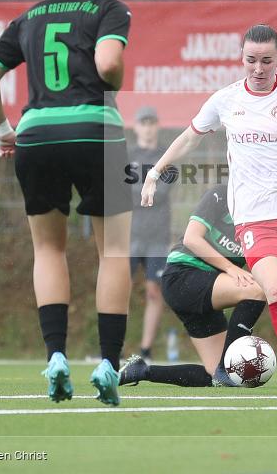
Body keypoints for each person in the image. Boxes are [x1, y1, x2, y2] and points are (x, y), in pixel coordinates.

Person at [141, 24, 277, 395]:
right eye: (251, 60)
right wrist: (156, 171)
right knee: (274, 288)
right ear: (242, 59)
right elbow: (191, 136)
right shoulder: (225, 100)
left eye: (266, 61)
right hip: (256, 217)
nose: (258, 69)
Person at [0, 0, 133, 405]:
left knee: (47, 249)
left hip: (37, 136)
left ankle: (57, 358)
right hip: (96, 132)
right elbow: (108, 64)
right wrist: (117, 78)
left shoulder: (28, 18)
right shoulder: (110, 9)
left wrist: (5, 129)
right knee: (115, 253)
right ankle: (107, 363)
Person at [119, 183, 277, 387]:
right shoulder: (221, 194)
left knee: (213, 376)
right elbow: (192, 238)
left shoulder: (261, 214)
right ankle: (225, 368)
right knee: (256, 290)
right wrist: (231, 268)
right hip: (182, 275)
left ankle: (142, 370)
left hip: (208, 285)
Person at [127, 105, 173, 362]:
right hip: (130, 235)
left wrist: (138, 188)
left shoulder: (165, 157)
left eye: (151, 122)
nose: (147, 127)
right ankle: (112, 345)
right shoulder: (128, 155)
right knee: (120, 289)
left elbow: (160, 192)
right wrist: (144, 187)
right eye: (142, 122)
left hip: (157, 237)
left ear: (156, 125)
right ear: (136, 127)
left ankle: (145, 350)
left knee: (154, 291)